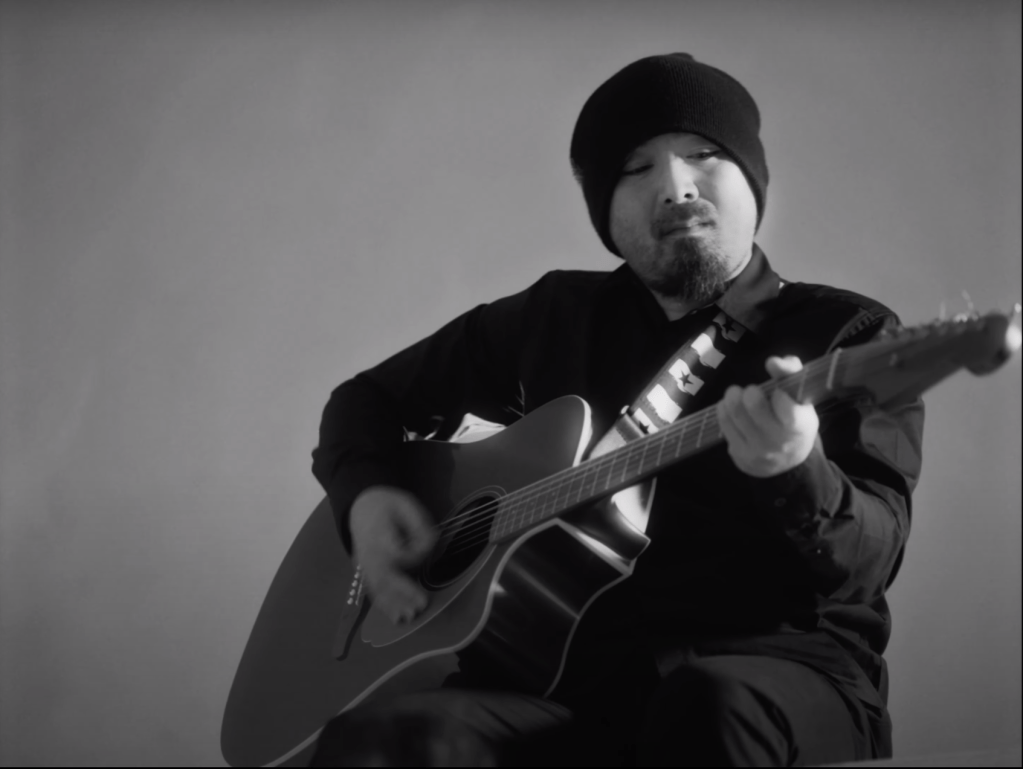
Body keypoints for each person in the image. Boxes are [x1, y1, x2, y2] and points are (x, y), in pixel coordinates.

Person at [309, 53, 923, 766]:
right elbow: (363, 401)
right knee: (379, 740)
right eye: (636, 168)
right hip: (563, 687)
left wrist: (796, 470)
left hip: (777, 676)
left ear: (753, 180)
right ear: (603, 207)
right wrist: (367, 499)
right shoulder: (553, 317)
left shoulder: (846, 335)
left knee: (704, 706)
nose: (676, 186)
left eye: (705, 155)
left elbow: (867, 561)